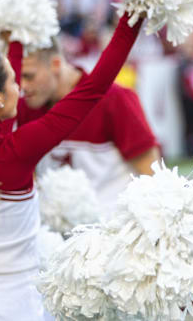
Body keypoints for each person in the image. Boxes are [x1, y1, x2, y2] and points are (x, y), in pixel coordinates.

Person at [0, 13, 143, 320]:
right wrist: (133, 17)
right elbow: (95, 87)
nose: (20, 89)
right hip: (19, 304)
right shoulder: (14, 151)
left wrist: (18, 32)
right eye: (14, 79)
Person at [14, 37, 159, 213]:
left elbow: (152, 174)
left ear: (56, 64)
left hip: (113, 230)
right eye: (17, 77)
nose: (22, 86)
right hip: (52, 233)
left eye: (29, 76)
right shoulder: (24, 107)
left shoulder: (114, 99)